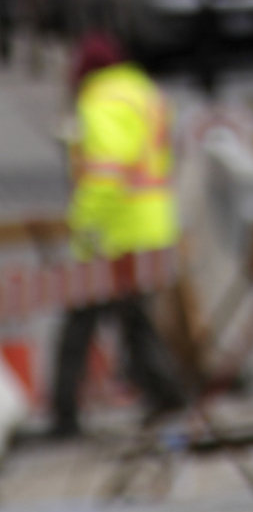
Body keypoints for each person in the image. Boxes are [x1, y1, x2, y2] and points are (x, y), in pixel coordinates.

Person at [51, 32, 184, 437]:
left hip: (113, 232)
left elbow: (107, 172)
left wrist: (86, 227)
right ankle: (167, 397)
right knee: (136, 322)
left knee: (79, 326)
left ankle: (64, 416)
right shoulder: (145, 93)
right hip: (152, 225)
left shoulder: (99, 102)